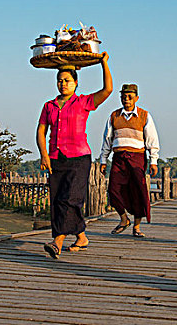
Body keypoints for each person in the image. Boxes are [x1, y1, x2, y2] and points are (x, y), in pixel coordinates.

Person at [37, 52, 113, 259]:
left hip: (79, 158)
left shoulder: (84, 102)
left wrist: (103, 64)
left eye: (67, 81)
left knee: (70, 198)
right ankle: (81, 237)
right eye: (59, 81)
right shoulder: (49, 106)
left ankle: (57, 241)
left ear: (76, 83)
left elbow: (107, 90)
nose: (63, 84)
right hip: (55, 158)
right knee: (57, 199)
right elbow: (41, 131)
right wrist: (44, 155)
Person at [99, 83, 160, 237]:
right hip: (119, 158)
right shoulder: (114, 116)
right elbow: (107, 139)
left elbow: (152, 140)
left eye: (130, 97)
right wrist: (103, 160)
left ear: (136, 98)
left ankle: (137, 227)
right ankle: (124, 219)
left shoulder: (144, 115)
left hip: (137, 158)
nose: (126, 99)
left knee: (138, 191)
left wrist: (153, 161)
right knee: (113, 189)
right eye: (124, 96)